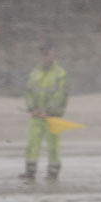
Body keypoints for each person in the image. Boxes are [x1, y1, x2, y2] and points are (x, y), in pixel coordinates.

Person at [19, 43, 68, 182]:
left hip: (52, 117)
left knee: (53, 146)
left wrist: (49, 111)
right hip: (36, 116)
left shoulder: (60, 73)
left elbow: (60, 95)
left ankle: (53, 172)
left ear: (53, 55)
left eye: (48, 54)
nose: (45, 57)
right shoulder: (35, 73)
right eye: (43, 54)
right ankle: (30, 171)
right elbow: (29, 91)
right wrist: (32, 108)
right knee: (32, 144)